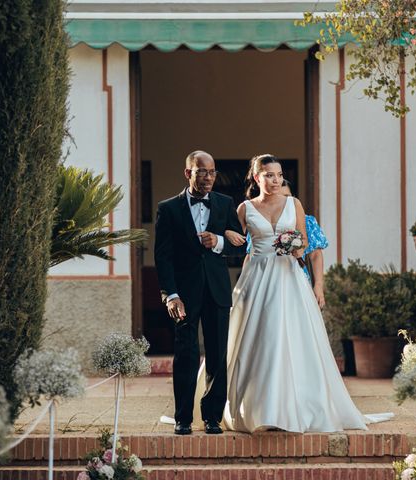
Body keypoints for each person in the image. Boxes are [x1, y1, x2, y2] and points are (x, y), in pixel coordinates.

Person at [195, 154, 391, 433]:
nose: (275, 181)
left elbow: (305, 242)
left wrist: (296, 248)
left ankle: (294, 406)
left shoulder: (294, 204)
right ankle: (255, 407)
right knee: (259, 339)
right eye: (269, 175)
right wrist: (223, 239)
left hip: (289, 277)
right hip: (257, 278)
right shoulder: (244, 209)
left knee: (293, 338)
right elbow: (233, 243)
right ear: (256, 177)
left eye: (279, 175)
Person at [154, 150, 246, 436]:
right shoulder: (168, 208)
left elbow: (240, 245)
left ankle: (212, 418)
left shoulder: (225, 203)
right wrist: (170, 294)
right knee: (186, 353)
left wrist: (218, 241)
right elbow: (163, 256)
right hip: (184, 294)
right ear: (188, 173)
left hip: (217, 291)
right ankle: (183, 418)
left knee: (217, 354)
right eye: (202, 172)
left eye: (212, 172)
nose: (208, 177)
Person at [226, 179, 328, 309]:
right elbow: (250, 254)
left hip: (293, 277)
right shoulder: (260, 225)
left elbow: (316, 255)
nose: (282, 201)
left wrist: (318, 285)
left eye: (287, 196)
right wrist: (245, 283)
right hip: (264, 278)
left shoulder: (306, 221)